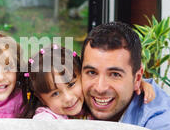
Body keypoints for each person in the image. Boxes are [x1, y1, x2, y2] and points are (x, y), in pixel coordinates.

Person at [20, 44, 156, 120]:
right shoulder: (47, 118)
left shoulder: (92, 103)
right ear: (41, 98)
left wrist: (138, 83)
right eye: (55, 94)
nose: (68, 98)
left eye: (71, 84)